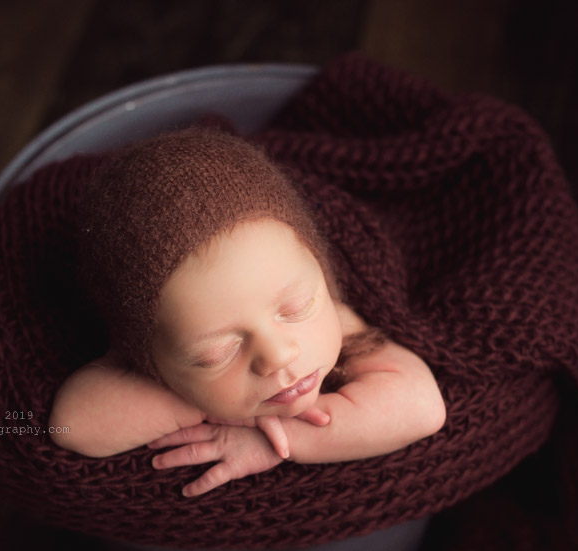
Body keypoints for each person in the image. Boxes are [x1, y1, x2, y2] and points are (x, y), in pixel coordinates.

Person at [48, 127, 445, 497]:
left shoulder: (340, 322)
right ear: (150, 361)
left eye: (296, 308)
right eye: (216, 355)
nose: (278, 356)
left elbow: (421, 407)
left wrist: (278, 440)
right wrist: (199, 400)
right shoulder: (154, 362)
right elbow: (69, 426)